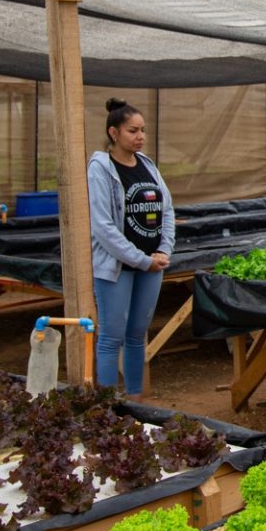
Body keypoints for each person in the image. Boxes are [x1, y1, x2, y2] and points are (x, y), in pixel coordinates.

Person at [88, 98, 175, 401]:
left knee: (137, 335)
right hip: (118, 266)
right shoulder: (101, 169)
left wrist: (164, 249)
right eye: (132, 131)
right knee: (112, 336)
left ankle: (135, 399)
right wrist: (139, 260)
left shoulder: (147, 166)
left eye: (142, 130)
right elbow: (102, 226)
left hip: (152, 265)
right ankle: (108, 405)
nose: (140, 136)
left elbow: (167, 209)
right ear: (114, 133)